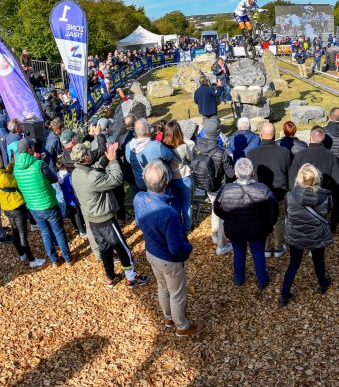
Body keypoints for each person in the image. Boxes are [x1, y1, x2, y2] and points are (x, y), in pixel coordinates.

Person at [134, 161, 202, 336]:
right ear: (166, 183)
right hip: (168, 260)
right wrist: (189, 248)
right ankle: (182, 327)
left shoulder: (139, 198)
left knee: (162, 287)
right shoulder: (168, 213)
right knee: (176, 294)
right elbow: (176, 247)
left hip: (151, 251)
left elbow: (139, 222)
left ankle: (168, 318)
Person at [72, 142, 150, 287]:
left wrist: (105, 159)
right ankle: (131, 277)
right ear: (85, 158)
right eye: (88, 153)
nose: (90, 153)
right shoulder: (92, 178)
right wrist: (113, 160)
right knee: (122, 248)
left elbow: (95, 171)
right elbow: (116, 179)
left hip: (92, 220)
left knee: (105, 248)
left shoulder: (76, 173)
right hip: (105, 220)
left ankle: (110, 277)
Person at [213, 158, 278, 289]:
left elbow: (217, 208)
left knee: (239, 253)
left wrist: (229, 218)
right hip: (257, 229)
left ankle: (239, 278)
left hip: (235, 228)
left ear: (236, 174)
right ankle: (261, 280)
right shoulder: (263, 189)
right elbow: (274, 209)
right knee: (258, 253)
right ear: (252, 173)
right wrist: (269, 223)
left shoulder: (226, 189)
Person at [14, 137, 74, 267]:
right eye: (32, 147)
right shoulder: (39, 164)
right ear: (29, 149)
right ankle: (68, 259)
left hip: (33, 206)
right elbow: (53, 179)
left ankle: (54, 261)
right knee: (58, 232)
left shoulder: (16, 168)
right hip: (48, 204)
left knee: (45, 233)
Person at [280, 164, 334, 306]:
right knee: (318, 261)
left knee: (293, 264)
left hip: (296, 234)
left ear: (299, 178)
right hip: (316, 234)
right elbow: (328, 211)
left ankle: (284, 295)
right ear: (317, 178)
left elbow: (287, 213)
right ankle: (322, 284)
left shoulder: (289, 196)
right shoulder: (326, 197)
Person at [0, 150, 46, 268]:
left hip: (7, 207)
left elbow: (5, 174)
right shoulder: (3, 177)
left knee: (15, 231)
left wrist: (11, 164)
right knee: (23, 234)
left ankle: (22, 254)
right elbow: (16, 181)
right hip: (16, 206)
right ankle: (32, 260)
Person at [247, 123, 293, 258]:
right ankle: (278, 248)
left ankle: (266, 248)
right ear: (274, 135)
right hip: (279, 192)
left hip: (260, 193)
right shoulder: (284, 152)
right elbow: (289, 172)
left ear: (261, 135)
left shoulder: (252, 153)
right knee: (279, 219)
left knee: (263, 219)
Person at [289, 126, 339, 231]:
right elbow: (337, 180)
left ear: (310, 137)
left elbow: (292, 178)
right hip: (321, 197)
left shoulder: (300, 155)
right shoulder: (331, 156)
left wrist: (295, 195)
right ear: (323, 139)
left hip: (302, 196)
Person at [194, 118, 236, 254]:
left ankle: (214, 234)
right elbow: (230, 174)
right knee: (223, 214)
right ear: (218, 133)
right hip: (220, 187)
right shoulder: (222, 152)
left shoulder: (197, 147)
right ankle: (221, 245)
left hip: (207, 186)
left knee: (214, 209)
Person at [162, 120, 195, 232]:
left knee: (175, 204)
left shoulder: (163, 147)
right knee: (186, 203)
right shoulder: (184, 147)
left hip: (172, 179)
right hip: (185, 177)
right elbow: (190, 159)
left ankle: (177, 227)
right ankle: (187, 226)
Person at [126, 119, 174, 195]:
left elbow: (129, 160)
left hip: (141, 184)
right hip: (159, 184)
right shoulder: (156, 146)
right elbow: (169, 156)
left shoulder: (128, 146)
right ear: (148, 131)